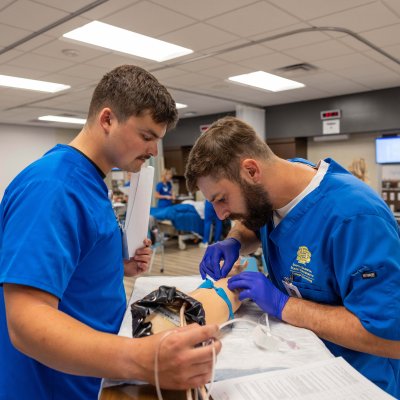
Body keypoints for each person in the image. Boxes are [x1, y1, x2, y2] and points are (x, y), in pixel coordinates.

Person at [0, 65, 221, 400]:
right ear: (107, 120)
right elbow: (26, 324)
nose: (153, 151)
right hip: (52, 387)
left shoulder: (89, 182)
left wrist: (115, 266)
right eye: (147, 137)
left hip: (93, 377)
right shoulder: (53, 187)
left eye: (157, 140)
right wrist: (144, 359)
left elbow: (71, 271)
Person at [185, 116, 400, 398]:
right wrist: (235, 239)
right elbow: (254, 221)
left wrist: (283, 305)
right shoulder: (276, 186)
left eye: (221, 198)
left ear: (251, 171)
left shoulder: (355, 218)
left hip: (359, 381)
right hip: (301, 361)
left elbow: (389, 338)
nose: (220, 215)